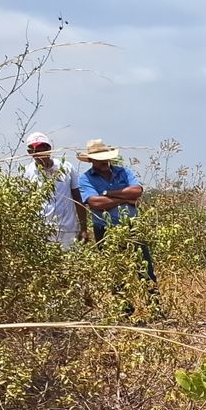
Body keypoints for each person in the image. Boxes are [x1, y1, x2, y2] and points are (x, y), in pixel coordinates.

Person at [76, 138, 158, 314]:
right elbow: (95, 203)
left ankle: (154, 306)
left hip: (132, 226)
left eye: (106, 157)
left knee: (144, 267)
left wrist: (107, 194)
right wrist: (125, 198)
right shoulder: (85, 179)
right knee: (116, 271)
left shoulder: (124, 171)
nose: (104, 161)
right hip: (105, 229)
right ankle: (124, 311)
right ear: (90, 160)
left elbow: (137, 191)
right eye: (99, 159)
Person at [25, 133, 88, 249]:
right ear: (30, 153)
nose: (39, 154)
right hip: (41, 231)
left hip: (68, 230)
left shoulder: (66, 167)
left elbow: (78, 198)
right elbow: (24, 204)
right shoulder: (28, 172)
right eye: (34, 150)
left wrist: (83, 228)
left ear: (49, 149)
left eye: (42, 149)